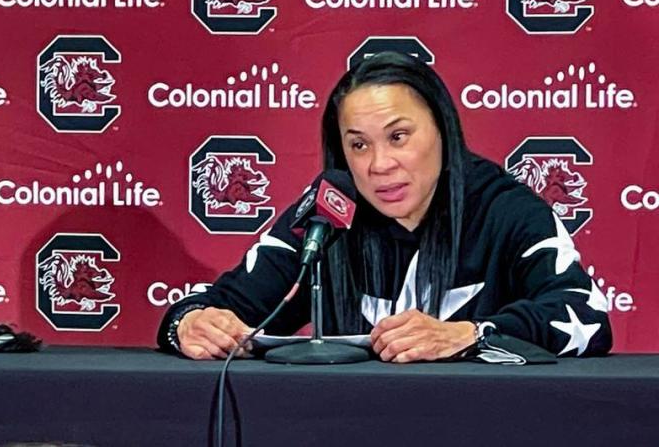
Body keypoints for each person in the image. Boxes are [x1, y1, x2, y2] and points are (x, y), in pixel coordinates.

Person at [157, 51, 612, 362]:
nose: (379, 165)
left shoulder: (505, 210)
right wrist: (192, 325)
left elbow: (585, 318)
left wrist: (469, 335)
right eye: (358, 145)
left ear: (442, 130)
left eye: (399, 137)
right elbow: (225, 306)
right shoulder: (329, 212)